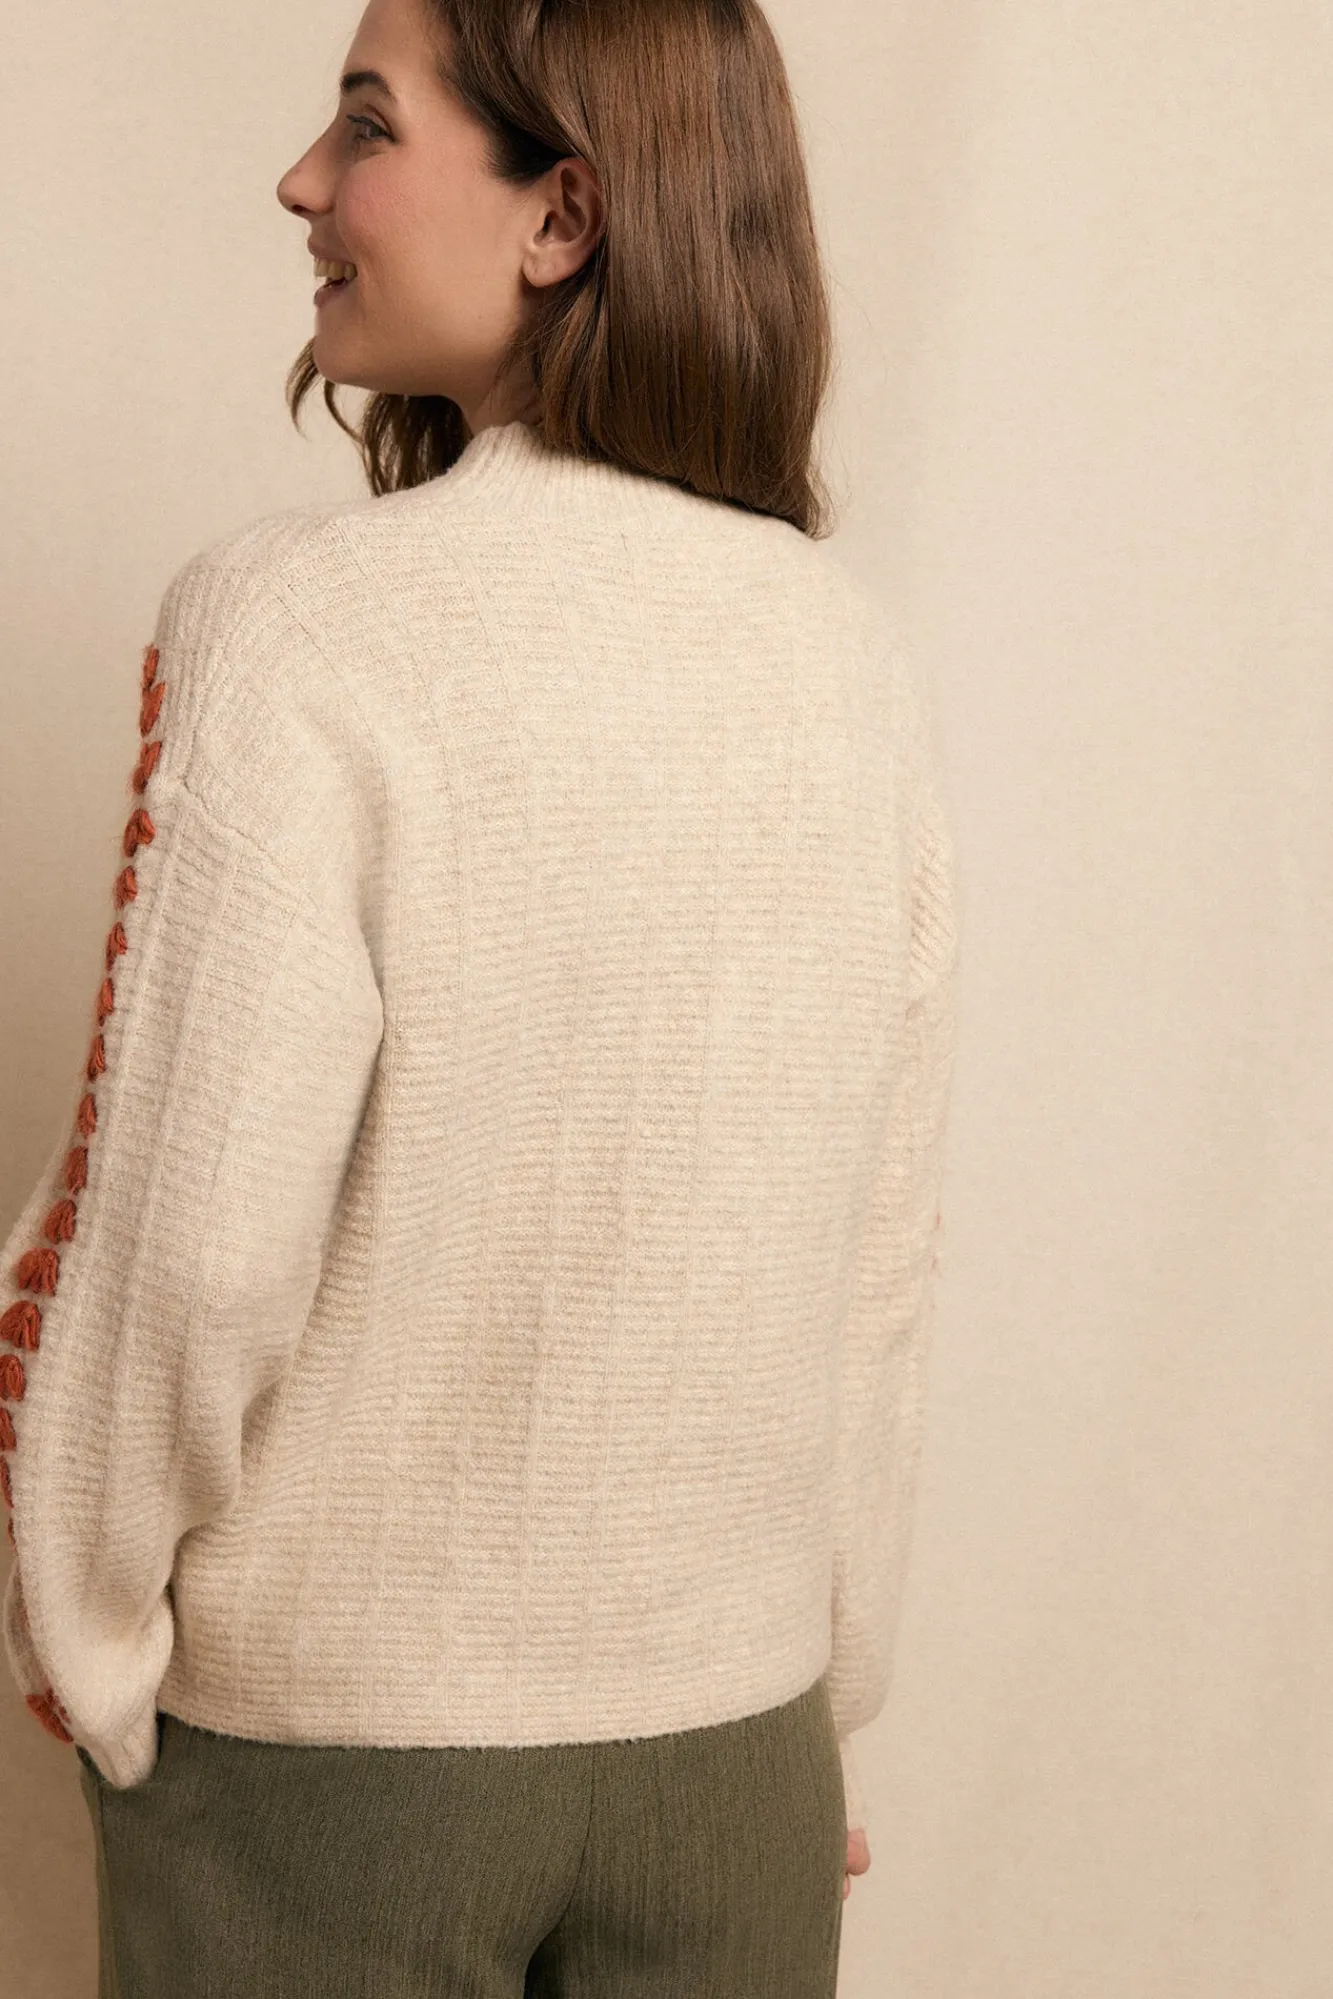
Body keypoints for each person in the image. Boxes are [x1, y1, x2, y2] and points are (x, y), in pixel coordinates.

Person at [0, 0, 959, 1991]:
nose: (302, 180)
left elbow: (184, 1244)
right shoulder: (847, 660)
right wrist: (819, 1703)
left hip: (334, 1774)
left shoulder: (298, 628)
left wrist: (78, 1636)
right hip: (737, 1758)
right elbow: (877, 1254)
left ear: (562, 218)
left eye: (367, 125)